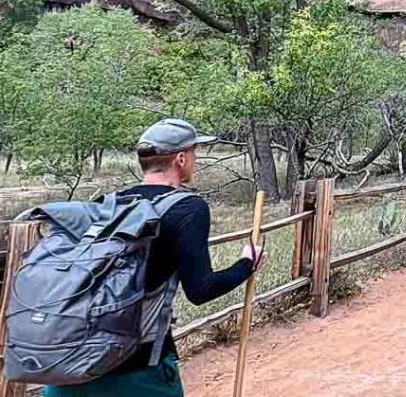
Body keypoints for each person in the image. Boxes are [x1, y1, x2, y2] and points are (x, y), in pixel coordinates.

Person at [43, 119, 266, 397]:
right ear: (181, 159)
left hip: (69, 369)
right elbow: (200, 289)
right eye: (194, 152)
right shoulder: (188, 208)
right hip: (137, 374)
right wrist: (246, 263)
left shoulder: (107, 203)